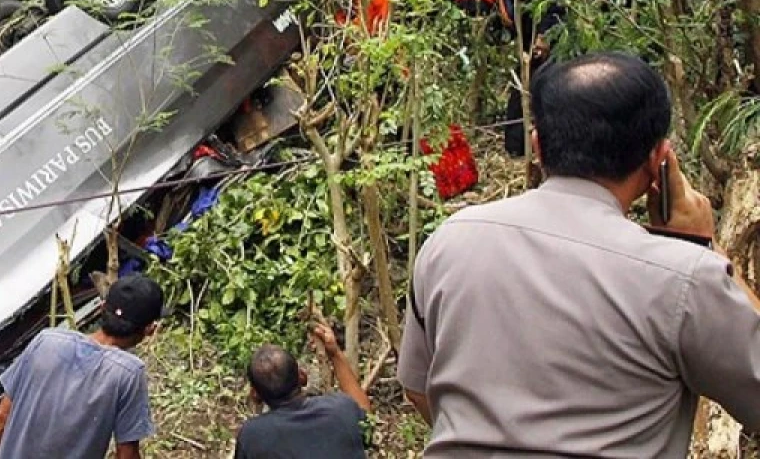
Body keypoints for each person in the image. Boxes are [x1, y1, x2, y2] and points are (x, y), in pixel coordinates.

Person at [399, 52, 760, 457]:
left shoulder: (449, 241)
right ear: (659, 159)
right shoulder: (682, 276)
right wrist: (702, 245)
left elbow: (419, 389)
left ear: (537, 145)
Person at [0, 274, 165, 459]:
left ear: (101, 308)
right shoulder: (128, 373)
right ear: (150, 329)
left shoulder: (46, 341)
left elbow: (2, 416)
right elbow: (126, 454)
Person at [498, 0, 625, 155]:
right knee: (537, 81)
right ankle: (520, 142)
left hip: (537, 27)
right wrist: (543, 35)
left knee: (537, 79)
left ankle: (523, 142)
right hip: (540, 29)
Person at [234, 323, 370, 459]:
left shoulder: (252, 437)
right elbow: (366, 414)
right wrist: (334, 354)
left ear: (255, 395)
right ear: (303, 376)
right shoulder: (341, 408)